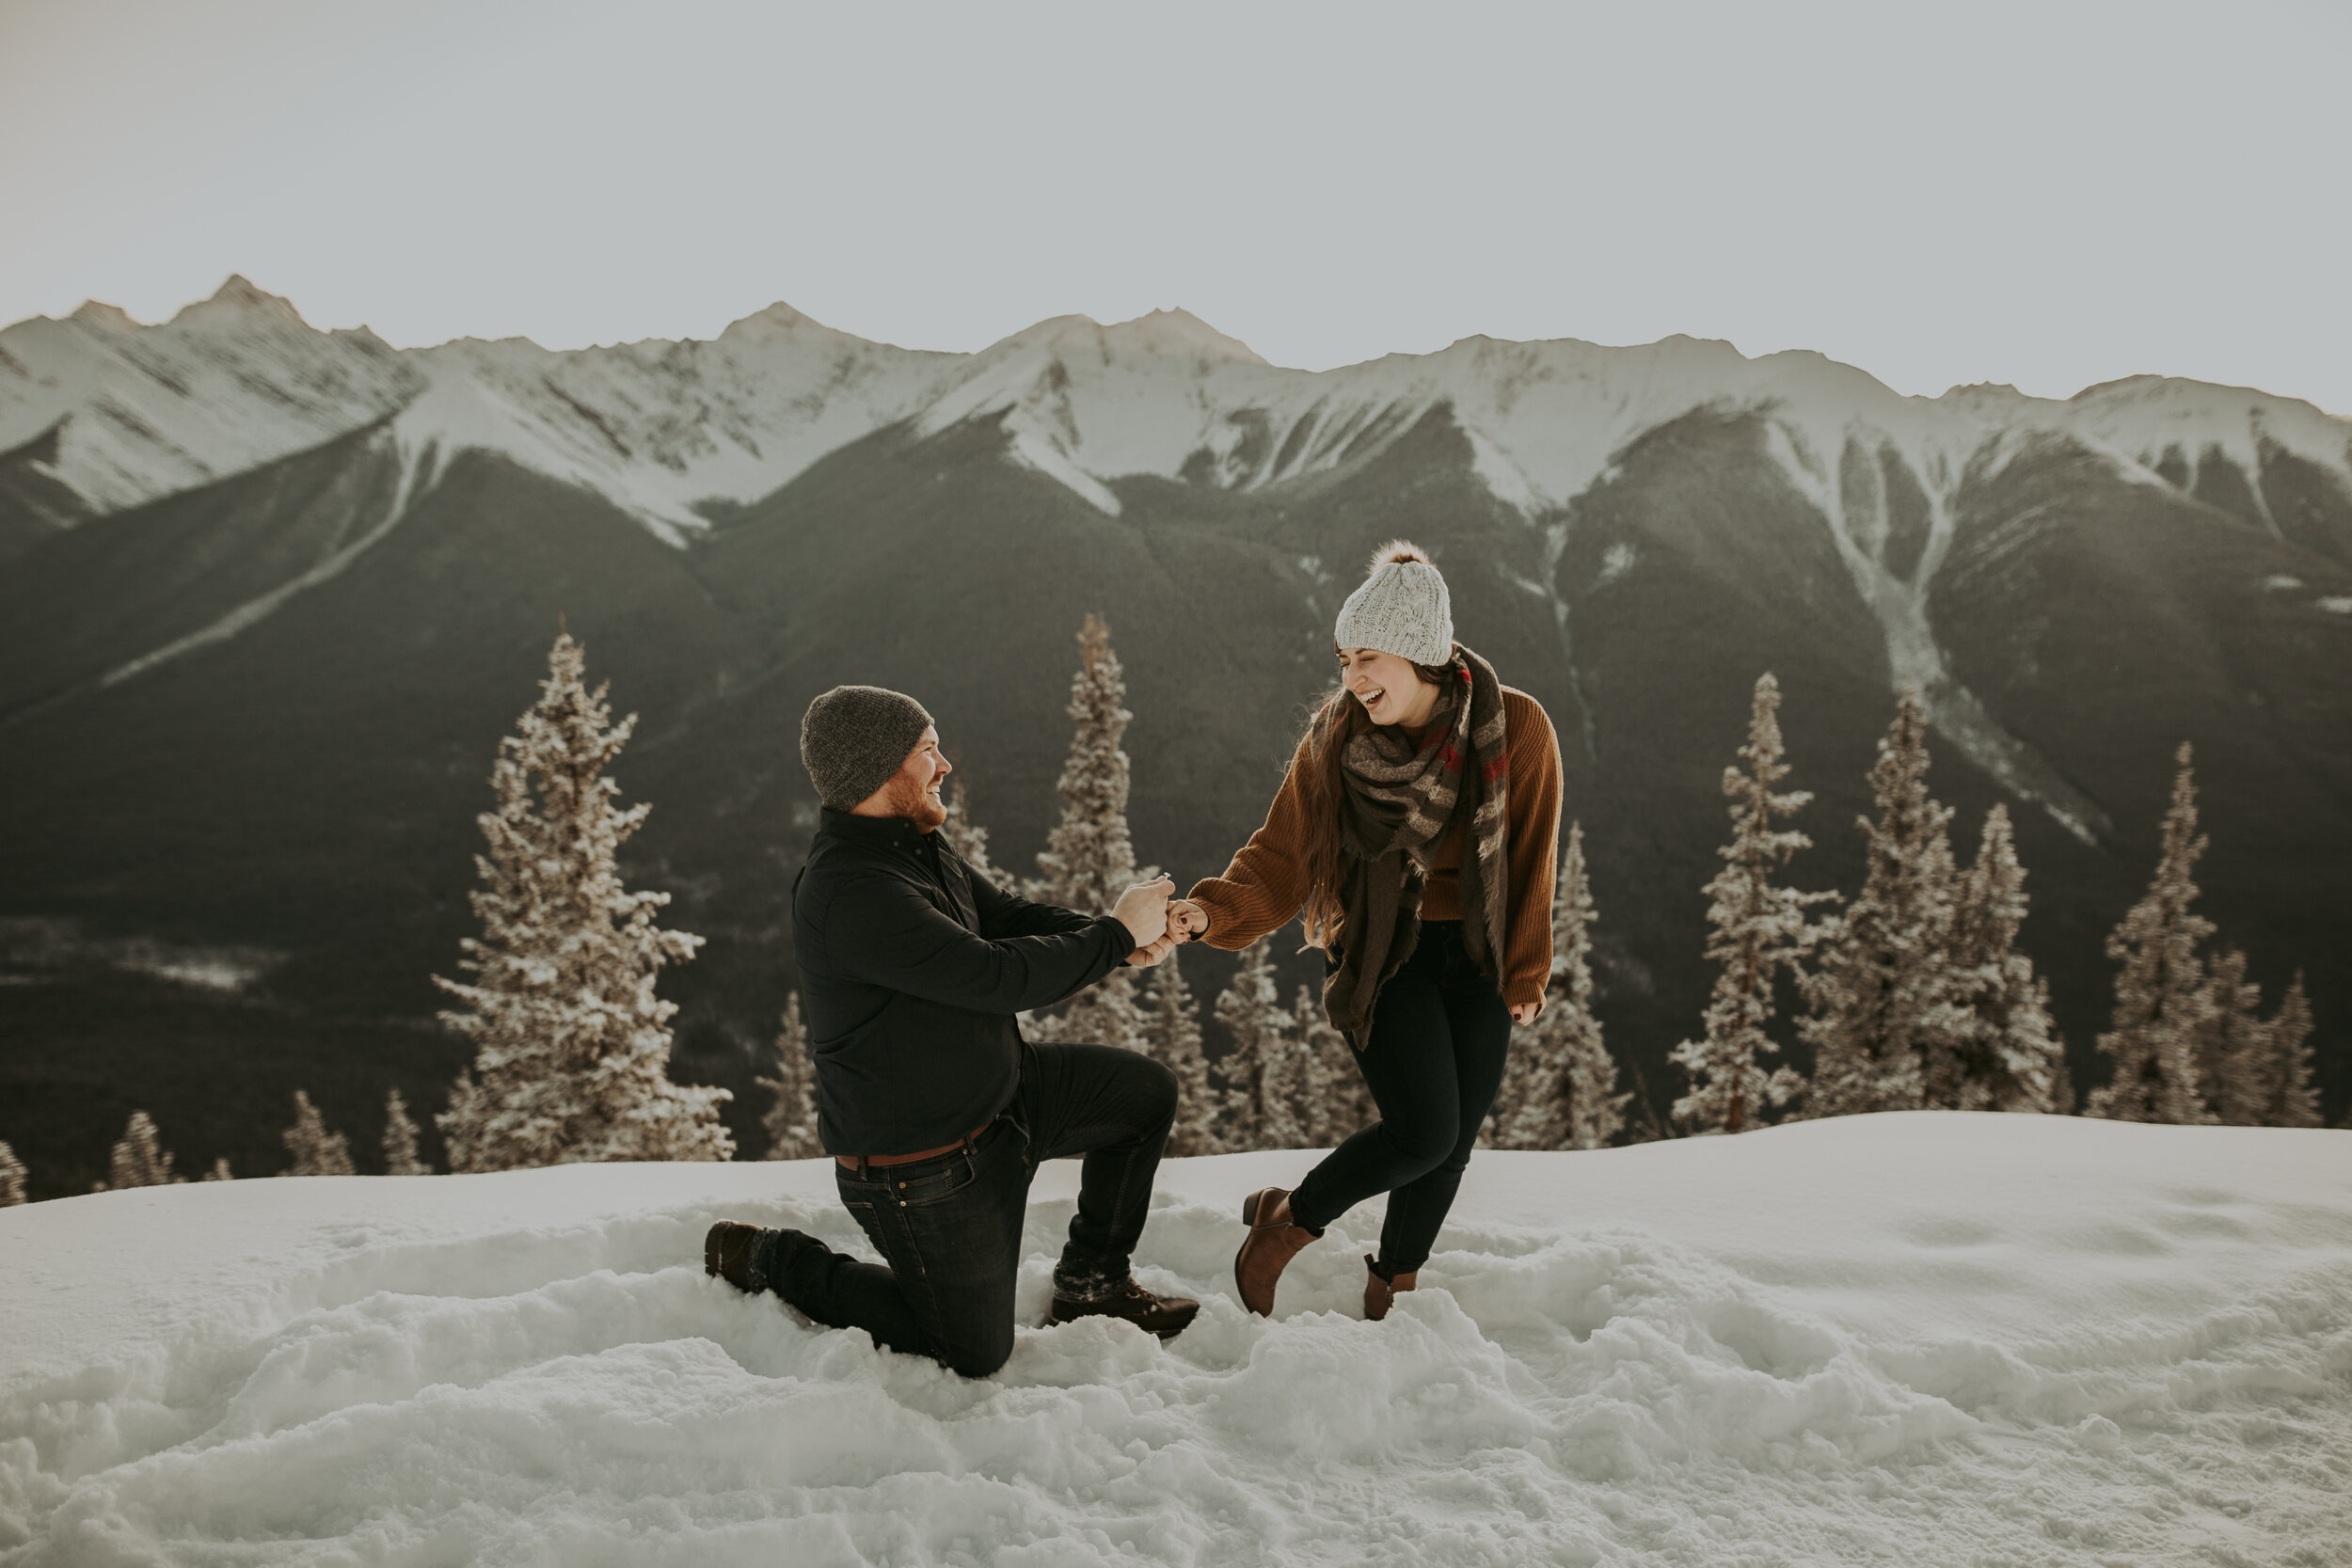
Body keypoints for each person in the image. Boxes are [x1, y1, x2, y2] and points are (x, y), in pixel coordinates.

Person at [705, 685, 1200, 1377]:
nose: (944, 765)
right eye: (928, 751)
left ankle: (1093, 1287)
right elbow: (995, 974)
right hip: (927, 1169)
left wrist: (1116, 940)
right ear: (880, 771)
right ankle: (773, 1257)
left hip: (1005, 1097)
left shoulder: (914, 842)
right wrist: (1116, 935)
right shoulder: (852, 891)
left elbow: (1002, 916)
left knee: (1143, 1096)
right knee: (971, 1351)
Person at [1168, 541, 1563, 1322]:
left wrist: (1524, 971)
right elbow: (1282, 853)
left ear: (1421, 652)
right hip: (1387, 951)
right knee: (1423, 1130)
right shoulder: (1335, 740)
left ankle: (1394, 1282)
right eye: (1345, 657)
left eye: (1368, 658)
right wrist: (1214, 910)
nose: (1351, 678)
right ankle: (1292, 1221)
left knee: (1452, 1145)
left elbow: (1530, 853)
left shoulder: (1514, 725)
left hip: (1478, 953)